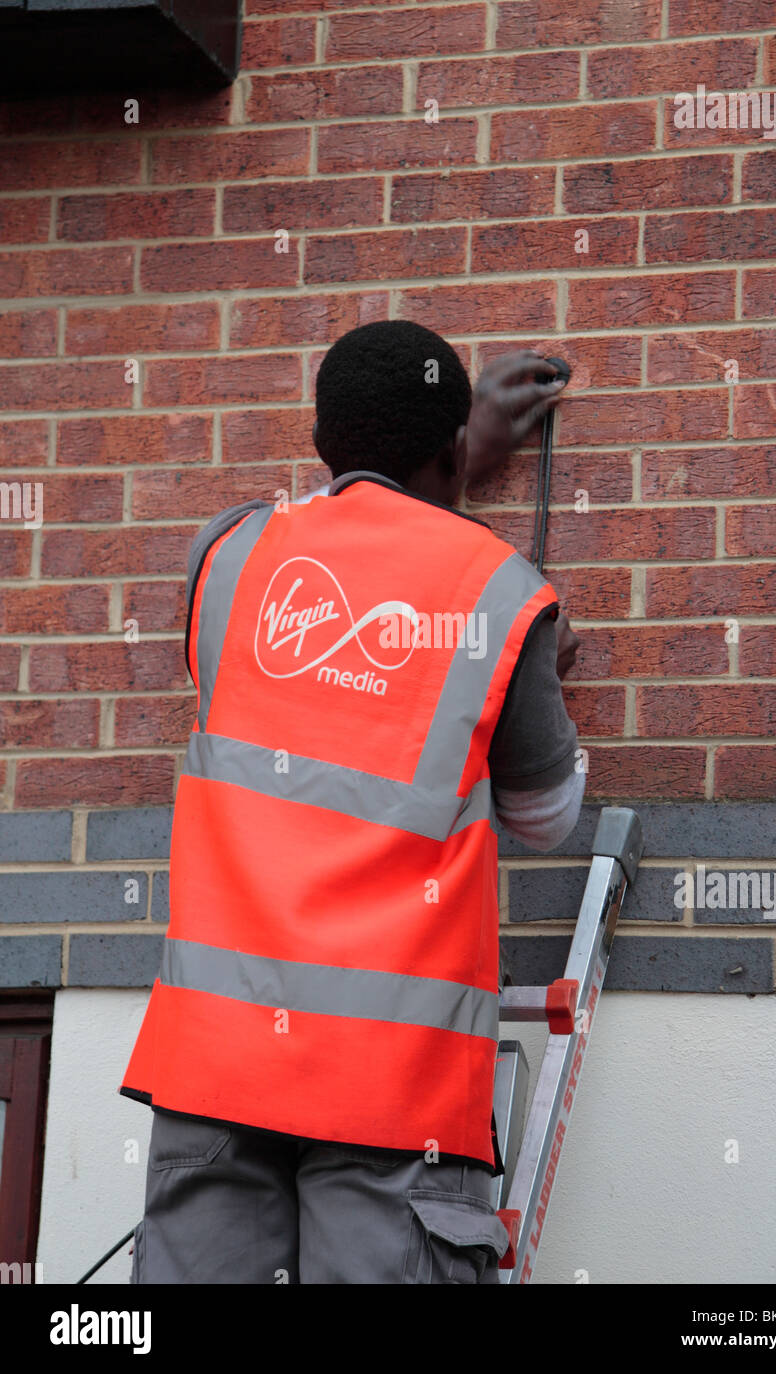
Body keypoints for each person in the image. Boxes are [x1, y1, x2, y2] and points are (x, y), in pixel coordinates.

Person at [121, 319, 585, 1284]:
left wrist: (443, 459)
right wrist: (531, 680)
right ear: (455, 448)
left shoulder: (230, 557)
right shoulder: (503, 599)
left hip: (215, 1071)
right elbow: (546, 821)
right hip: (394, 1099)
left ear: (325, 442)